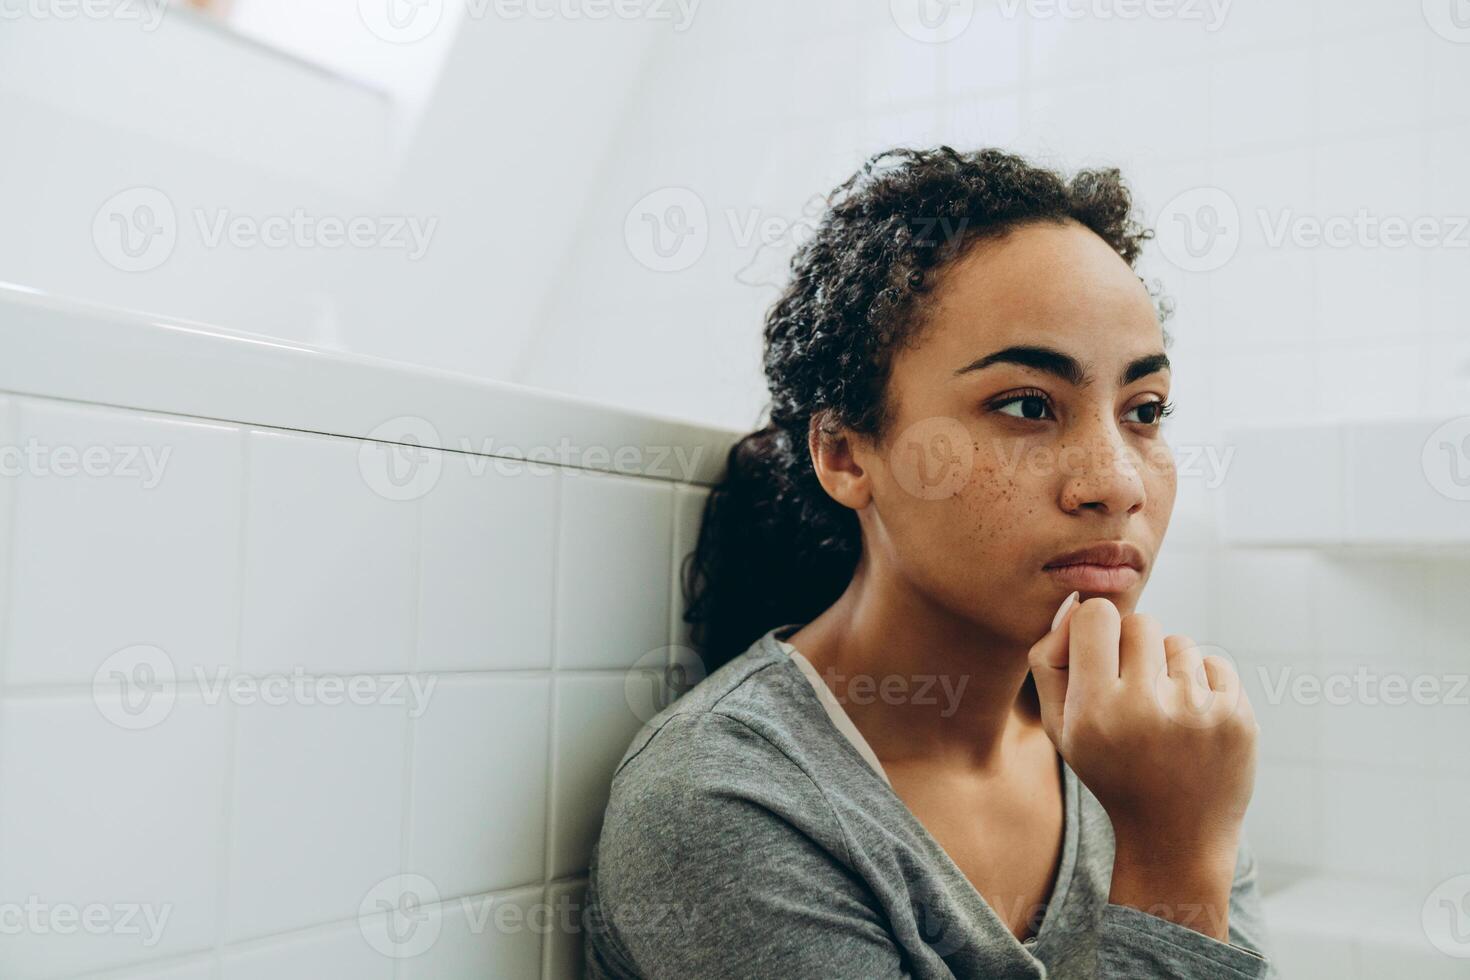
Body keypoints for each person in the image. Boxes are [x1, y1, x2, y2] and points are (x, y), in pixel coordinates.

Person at [584, 146, 1276, 978]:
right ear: (844, 454)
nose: (1117, 483)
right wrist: (1172, 858)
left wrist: (1180, 829)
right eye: (1027, 405)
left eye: (1144, 410)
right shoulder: (721, 801)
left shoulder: (1143, 749)